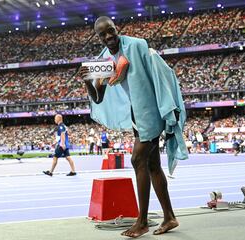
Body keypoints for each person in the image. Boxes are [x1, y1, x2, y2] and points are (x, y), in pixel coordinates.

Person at [78, 16, 188, 238]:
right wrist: (88, 82)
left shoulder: (137, 45)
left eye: (111, 30)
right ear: (98, 37)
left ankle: (142, 221)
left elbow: (161, 71)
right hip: (137, 113)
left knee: (137, 159)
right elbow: (98, 98)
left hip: (152, 109)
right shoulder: (104, 59)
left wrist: (169, 105)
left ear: (116, 28)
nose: (109, 36)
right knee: (152, 165)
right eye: (103, 34)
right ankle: (169, 217)